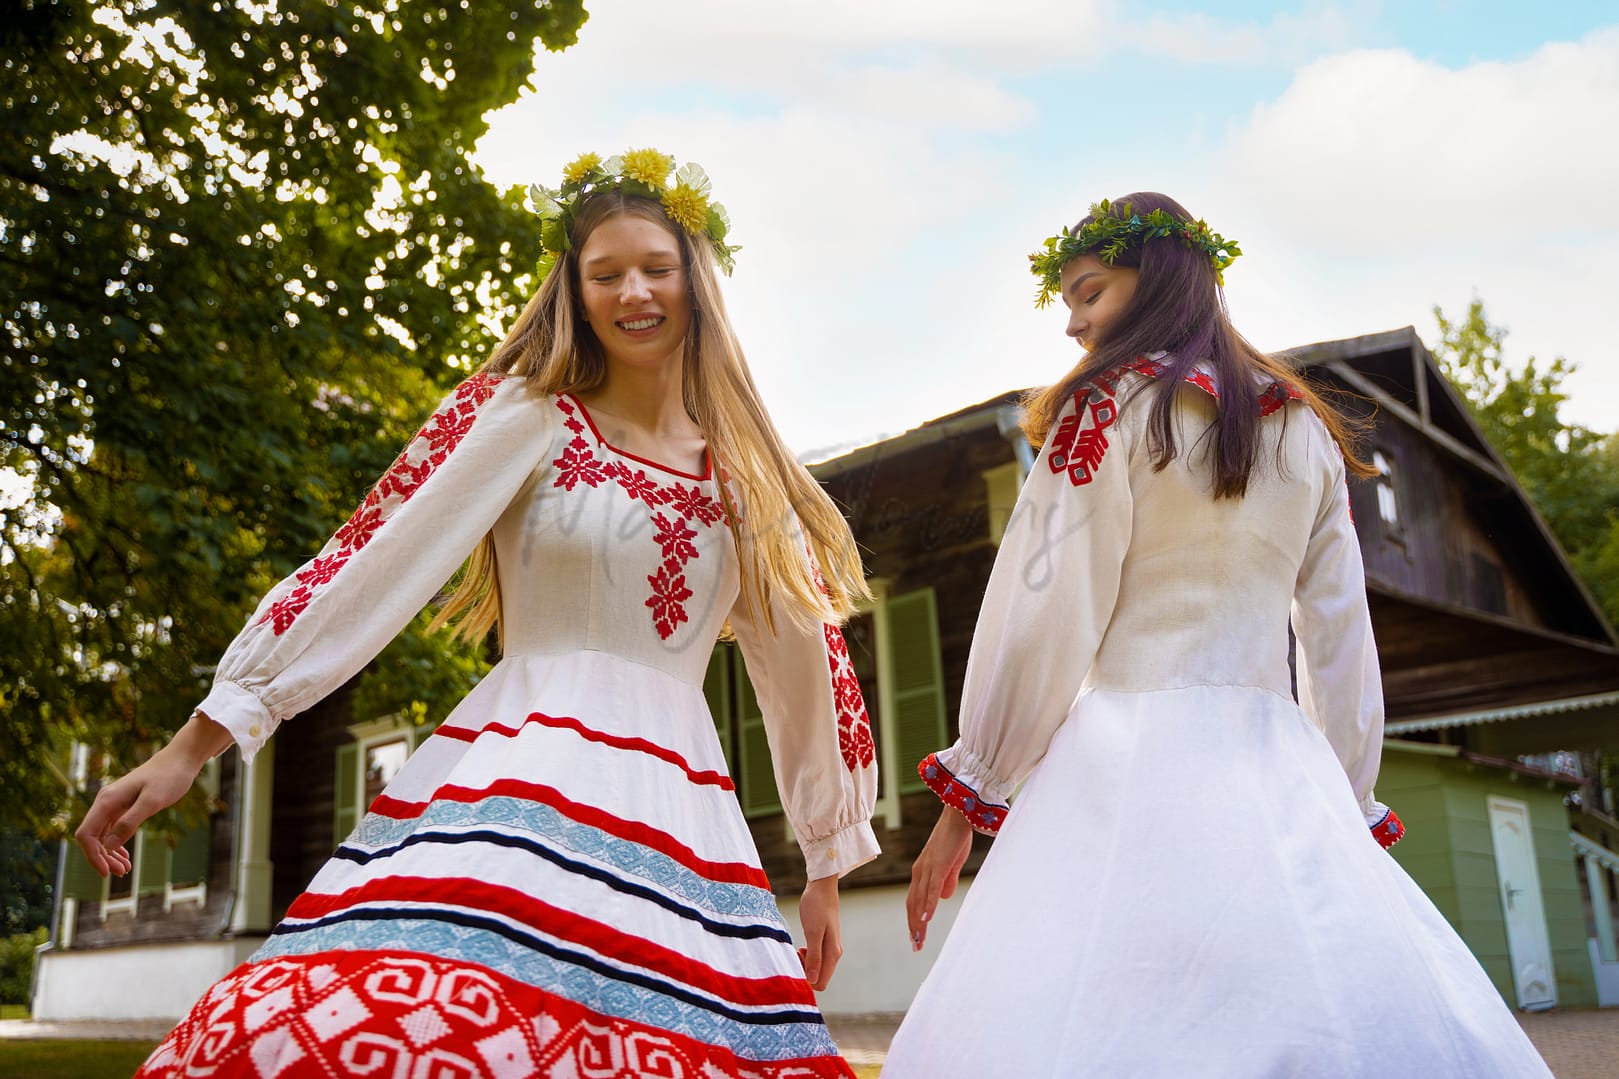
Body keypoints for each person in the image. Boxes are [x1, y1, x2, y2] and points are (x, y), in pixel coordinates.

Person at [75, 149, 880, 1079]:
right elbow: (370, 563)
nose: (633, 292)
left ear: (695, 282)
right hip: (519, 775)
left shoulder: (743, 480)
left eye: (655, 268)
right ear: (574, 293)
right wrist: (194, 743)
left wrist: (824, 865)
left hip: (679, 812)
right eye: (604, 273)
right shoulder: (527, 418)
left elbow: (802, 662)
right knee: (421, 1032)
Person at [882, 195, 1554, 1077]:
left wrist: (977, 785)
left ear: (1154, 276)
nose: (1074, 322)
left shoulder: (1107, 405)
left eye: (1088, 292)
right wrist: (1343, 798)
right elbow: (1340, 640)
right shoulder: (1307, 431)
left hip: (1126, 756)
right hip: (1278, 764)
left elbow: (1045, 606)